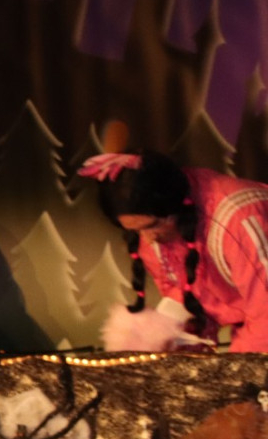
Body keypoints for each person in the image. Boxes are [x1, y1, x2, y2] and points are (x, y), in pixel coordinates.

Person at [82, 150, 268, 352]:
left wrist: (235, 367)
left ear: (174, 206)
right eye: (136, 230)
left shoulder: (238, 219)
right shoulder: (154, 231)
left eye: (152, 226)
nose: (148, 238)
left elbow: (265, 314)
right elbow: (186, 293)